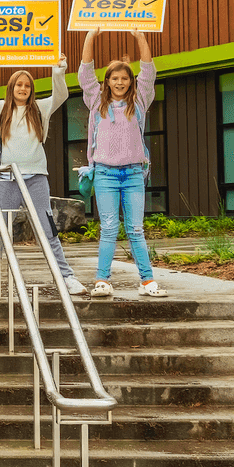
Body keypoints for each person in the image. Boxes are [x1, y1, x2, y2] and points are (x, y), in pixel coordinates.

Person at [0, 58, 87, 297]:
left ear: (31, 90)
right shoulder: (0, 109)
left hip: (36, 177)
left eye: (27, 86)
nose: (22, 89)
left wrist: (58, 71)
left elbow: (60, 95)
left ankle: (66, 277)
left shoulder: (40, 109)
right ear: (11, 88)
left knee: (47, 229)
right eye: (18, 85)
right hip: (7, 177)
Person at [79, 27, 166, 298]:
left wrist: (140, 38)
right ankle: (102, 281)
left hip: (133, 174)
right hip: (104, 174)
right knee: (108, 228)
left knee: (136, 229)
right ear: (107, 81)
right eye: (114, 78)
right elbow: (84, 73)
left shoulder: (139, 100)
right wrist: (91, 37)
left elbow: (149, 73)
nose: (120, 82)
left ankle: (147, 281)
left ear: (131, 81)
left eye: (124, 78)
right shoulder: (96, 101)